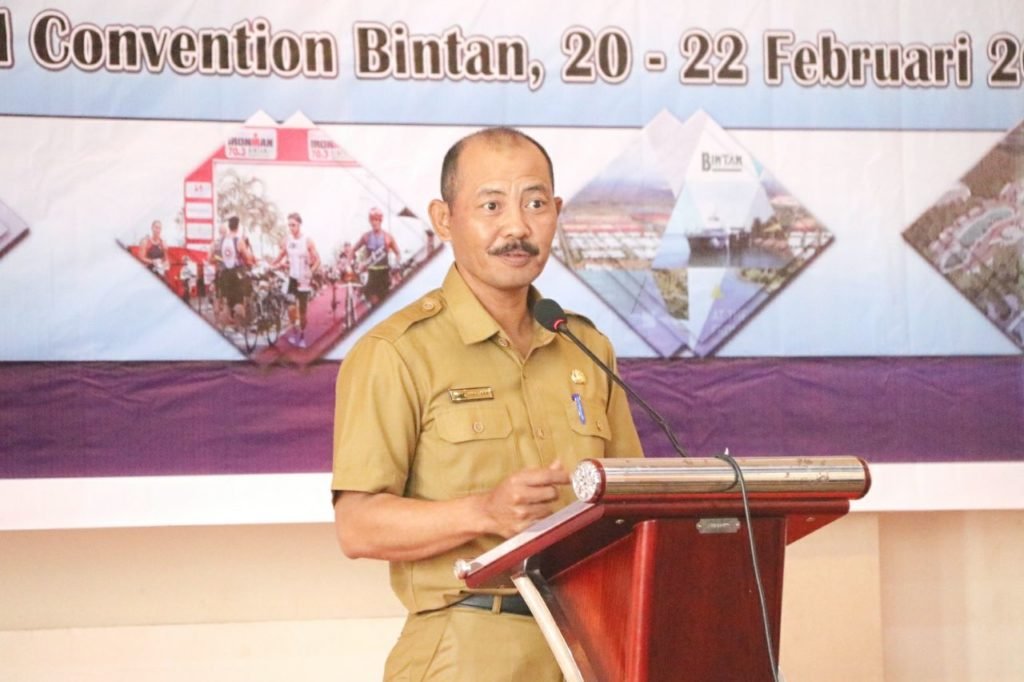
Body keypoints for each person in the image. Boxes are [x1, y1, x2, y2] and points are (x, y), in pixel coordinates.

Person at [331, 127, 644, 681]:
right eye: (491, 205)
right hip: (469, 644)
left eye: (535, 204)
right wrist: (483, 511)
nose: (517, 227)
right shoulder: (397, 352)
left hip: (594, 644)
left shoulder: (585, 346)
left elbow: (633, 504)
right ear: (444, 218)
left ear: (557, 213)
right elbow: (357, 527)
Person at [272, 212, 321, 347]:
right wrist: (271, 265)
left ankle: (302, 335)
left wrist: (311, 272)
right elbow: (281, 255)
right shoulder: (287, 240)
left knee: (303, 312)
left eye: (293, 225)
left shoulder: (307, 240)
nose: (291, 228)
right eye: (289, 225)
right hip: (293, 278)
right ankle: (295, 332)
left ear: (299, 224)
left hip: (303, 279)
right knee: (291, 308)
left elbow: (318, 260)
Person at [354, 206, 401, 304]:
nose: (374, 222)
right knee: (375, 303)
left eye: (376, 219)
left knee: (386, 302)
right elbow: (353, 250)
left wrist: (396, 265)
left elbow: (398, 253)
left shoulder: (388, 237)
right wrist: (356, 264)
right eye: (372, 220)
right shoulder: (366, 237)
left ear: (380, 220)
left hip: (384, 274)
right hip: (372, 274)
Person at [214, 216, 255, 325]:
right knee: (239, 301)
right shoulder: (238, 240)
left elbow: (217, 257)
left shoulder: (222, 241)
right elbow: (247, 257)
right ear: (238, 226)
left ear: (229, 226)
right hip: (237, 274)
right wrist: (250, 260)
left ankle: (226, 324)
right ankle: (239, 325)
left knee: (228, 302)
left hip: (225, 274)